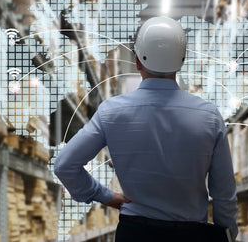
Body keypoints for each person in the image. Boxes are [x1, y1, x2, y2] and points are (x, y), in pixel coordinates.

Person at [54, 16, 238, 242]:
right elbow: (224, 193)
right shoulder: (209, 116)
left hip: (134, 233)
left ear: (137, 61)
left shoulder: (111, 111)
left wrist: (105, 196)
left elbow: (65, 165)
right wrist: (227, 232)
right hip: (192, 234)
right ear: (181, 61)